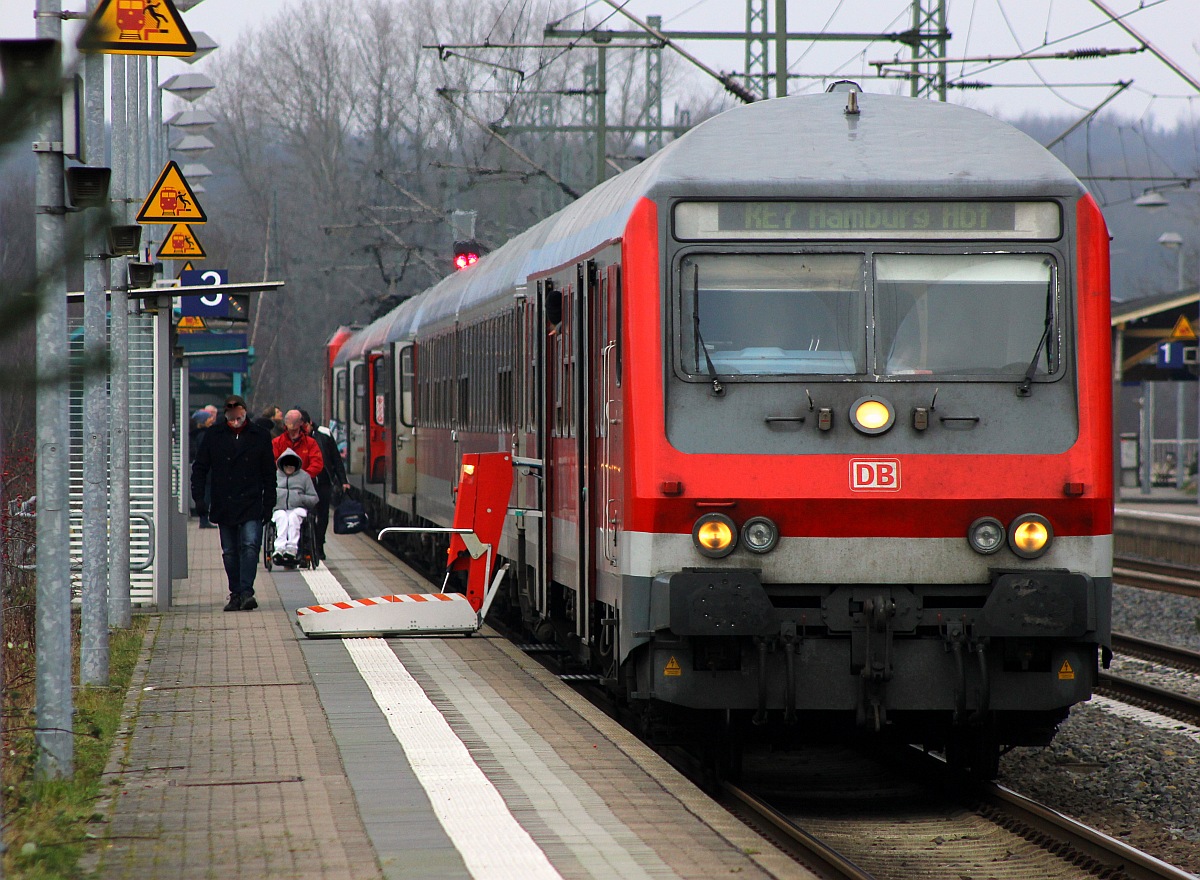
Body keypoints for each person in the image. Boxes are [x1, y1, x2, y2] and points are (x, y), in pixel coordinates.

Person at [190, 394, 276, 612]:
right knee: (229, 551)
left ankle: (246, 591)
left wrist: (269, 502)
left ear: (244, 411)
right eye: (229, 410)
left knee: (249, 546)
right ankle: (236, 592)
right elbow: (200, 468)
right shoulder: (214, 436)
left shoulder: (260, 436)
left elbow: (269, 472)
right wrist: (199, 498)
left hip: (251, 500)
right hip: (224, 500)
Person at [299, 409, 349, 560]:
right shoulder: (294, 438)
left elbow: (336, 459)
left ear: (309, 424)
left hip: (323, 481)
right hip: (303, 484)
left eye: (303, 427)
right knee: (305, 514)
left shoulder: (324, 436)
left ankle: (319, 543)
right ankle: (306, 544)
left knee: (323, 514)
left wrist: (343, 481)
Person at [270, 448, 318, 565]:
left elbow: (314, 498)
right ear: (282, 465)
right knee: (282, 518)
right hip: (279, 508)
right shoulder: (274, 476)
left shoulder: (304, 477)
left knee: (293, 518)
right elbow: (266, 495)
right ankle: (279, 549)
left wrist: (300, 498)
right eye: (287, 466)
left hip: (298, 509)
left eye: (292, 466)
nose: (289, 468)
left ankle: (292, 548)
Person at [273, 408, 323, 482]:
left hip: (304, 485)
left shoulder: (310, 443)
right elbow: (271, 462)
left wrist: (304, 476)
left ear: (301, 423)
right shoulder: (277, 442)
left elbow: (317, 463)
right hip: (281, 484)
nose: (292, 425)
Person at [189, 409, 217, 528]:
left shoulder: (201, 434)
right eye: (209, 418)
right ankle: (204, 520)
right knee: (206, 495)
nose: (212, 419)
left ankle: (204, 519)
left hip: (206, 470)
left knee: (207, 495)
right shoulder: (204, 435)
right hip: (207, 471)